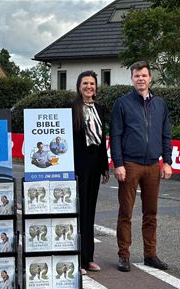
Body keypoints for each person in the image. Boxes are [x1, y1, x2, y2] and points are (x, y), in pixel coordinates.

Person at [110, 61, 172, 272]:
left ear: (150, 78)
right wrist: (118, 163)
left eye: (144, 75)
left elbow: (166, 135)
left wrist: (168, 162)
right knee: (126, 212)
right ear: (132, 79)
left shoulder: (160, 104)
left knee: (151, 213)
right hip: (130, 164)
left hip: (154, 165)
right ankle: (124, 255)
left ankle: (150, 255)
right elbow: (115, 135)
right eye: (137, 76)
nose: (141, 79)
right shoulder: (122, 103)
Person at [67, 71, 109, 274]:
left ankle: (88, 258)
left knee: (90, 211)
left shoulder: (100, 108)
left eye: (92, 83)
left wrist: (104, 166)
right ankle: (76, 258)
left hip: (95, 163)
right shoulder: (71, 108)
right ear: (79, 86)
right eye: (85, 83)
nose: (89, 87)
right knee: (77, 211)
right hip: (77, 164)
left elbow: (102, 139)